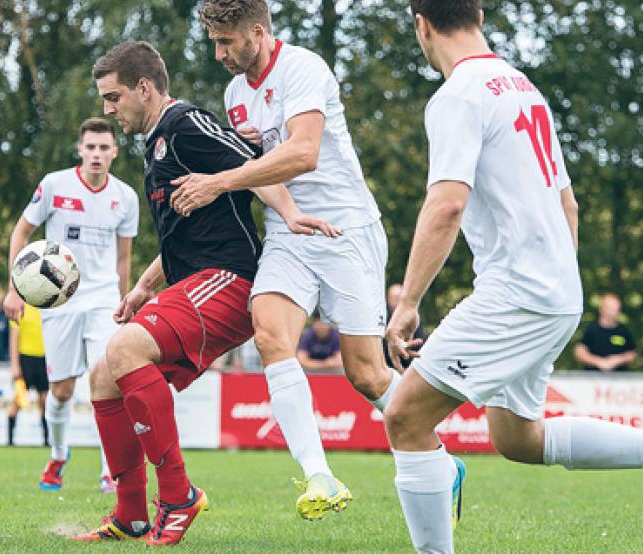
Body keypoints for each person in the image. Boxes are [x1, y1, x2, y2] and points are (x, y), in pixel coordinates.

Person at [383, 3, 643, 551]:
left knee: (404, 416)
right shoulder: (522, 86)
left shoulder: (457, 96)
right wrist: (558, 283)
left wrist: (408, 304)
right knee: (517, 437)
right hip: (555, 290)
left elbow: (446, 206)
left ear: (420, 23)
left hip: (518, 294)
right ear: (480, 13)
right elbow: (570, 206)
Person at [179, 0, 450, 520]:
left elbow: (305, 153)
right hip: (288, 228)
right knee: (269, 333)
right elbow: (261, 170)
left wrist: (219, 181)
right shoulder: (236, 93)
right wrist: (248, 161)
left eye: (227, 42)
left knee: (366, 374)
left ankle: (437, 453)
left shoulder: (303, 68)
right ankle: (319, 476)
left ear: (257, 33)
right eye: (214, 42)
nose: (219, 54)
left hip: (346, 228)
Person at [74, 41, 338, 545]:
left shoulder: (184, 124)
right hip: (194, 283)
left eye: (113, 97)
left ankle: (177, 497)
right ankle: (130, 513)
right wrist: (144, 287)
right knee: (104, 376)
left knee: (123, 348)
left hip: (231, 280)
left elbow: (255, 164)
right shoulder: (157, 144)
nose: (107, 109)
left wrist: (289, 215)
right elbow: (179, 232)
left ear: (144, 88)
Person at [2, 118, 138, 492]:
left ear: (114, 152)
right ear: (80, 150)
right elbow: (21, 232)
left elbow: (123, 259)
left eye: (103, 148)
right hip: (59, 302)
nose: (96, 154)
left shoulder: (126, 197)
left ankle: (110, 469)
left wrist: (124, 304)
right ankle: (59, 455)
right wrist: (15, 290)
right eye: (90, 147)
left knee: (107, 383)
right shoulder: (53, 184)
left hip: (103, 302)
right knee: (61, 391)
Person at [6, 304, 49, 449]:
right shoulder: (20, 306)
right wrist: (15, 366)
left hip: (44, 358)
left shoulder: (48, 306)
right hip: (25, 358)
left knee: (44, 400)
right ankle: (10, 440)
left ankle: (46, 439)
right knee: (19, 399)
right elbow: (13, 339)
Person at [574, 293, 637, 372]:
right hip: (593, 378)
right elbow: (580, 352)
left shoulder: (624, 331)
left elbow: (632, 354)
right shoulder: (591, 330)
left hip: (619, 379)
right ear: (602, 309)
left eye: (616, 309)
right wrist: (598, 362)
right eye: (610, 308)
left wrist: (618, 359)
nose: (613, 312)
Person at [384, 283, 427, 370]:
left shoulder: (413, 318)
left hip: (408, 363)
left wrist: (405, 345)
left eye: (398, 298)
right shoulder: (382, 318)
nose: (396, 301)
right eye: (393, 298)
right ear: (388, 299)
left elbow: (419, 342)